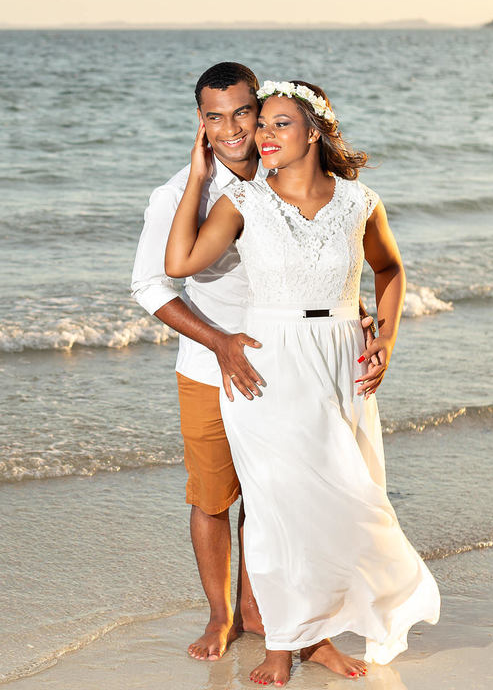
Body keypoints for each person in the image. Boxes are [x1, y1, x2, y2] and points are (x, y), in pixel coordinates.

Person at [164, 80, 440, 686]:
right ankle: (284, 644)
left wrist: (384, 340)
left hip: (342, 358)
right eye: (260, 125)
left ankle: (322, 631)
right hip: (269, 362)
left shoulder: (359, 201)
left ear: (314, 132)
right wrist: (195, 174)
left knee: (345, 499)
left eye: (278, 124)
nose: (262, 135)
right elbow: (178, 264)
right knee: (274, 507)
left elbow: (390, 268)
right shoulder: (244, 202)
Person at [130, 63, 376, 666]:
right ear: (201, 122)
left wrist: (353, 310)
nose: (234, 128)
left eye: (244, 112)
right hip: (211, 365)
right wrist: (221, 343)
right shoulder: (178, 194)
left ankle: (263, 613)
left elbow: (327, 256)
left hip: (289, 368)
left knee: (278, 496)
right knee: (214, 497)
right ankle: (222, 615)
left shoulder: (285, 174)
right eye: (216, 116)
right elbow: (151, 285)